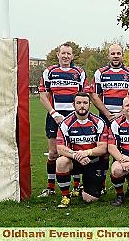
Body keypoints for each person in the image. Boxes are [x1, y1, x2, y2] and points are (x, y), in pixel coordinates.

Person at [38, 43, 90, 198]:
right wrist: (54, 113)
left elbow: (84, 96)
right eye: (63, 53)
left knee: (75, 150)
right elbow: (43, 96)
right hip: (55, 117)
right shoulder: (49, 72)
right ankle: (50, 187)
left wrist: (77, 114)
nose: (66, 56)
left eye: (69, 53)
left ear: (72, 56)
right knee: (53, 153)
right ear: (58, 55)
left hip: (75, 117)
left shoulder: (79, 72)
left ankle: (76, 186)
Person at [91, 43, 129, 193]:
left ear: (122, 54)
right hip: (106, 117)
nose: (115, 56)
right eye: (113, 53)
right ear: (109, 55)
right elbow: (94, 95)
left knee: (126, 147)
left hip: (126, 116)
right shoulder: (100, 72)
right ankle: (102, 184)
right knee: (104, 152)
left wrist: (121, 113)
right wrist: (107, 114)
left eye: (118, 53)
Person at [54, 92, 108, 208]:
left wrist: (86, 153)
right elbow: (60, 148)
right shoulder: (65, 123)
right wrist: (76, 155)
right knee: (61, 161)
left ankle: (85, 186)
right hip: (75, 160)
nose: (82, 106)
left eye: (85, 103)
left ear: (89, 105)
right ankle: (65, 196)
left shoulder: (99, 122)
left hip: (92, 161)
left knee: (89, 199)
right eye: (78, 103)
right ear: (73, 105)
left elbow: (103, 148)